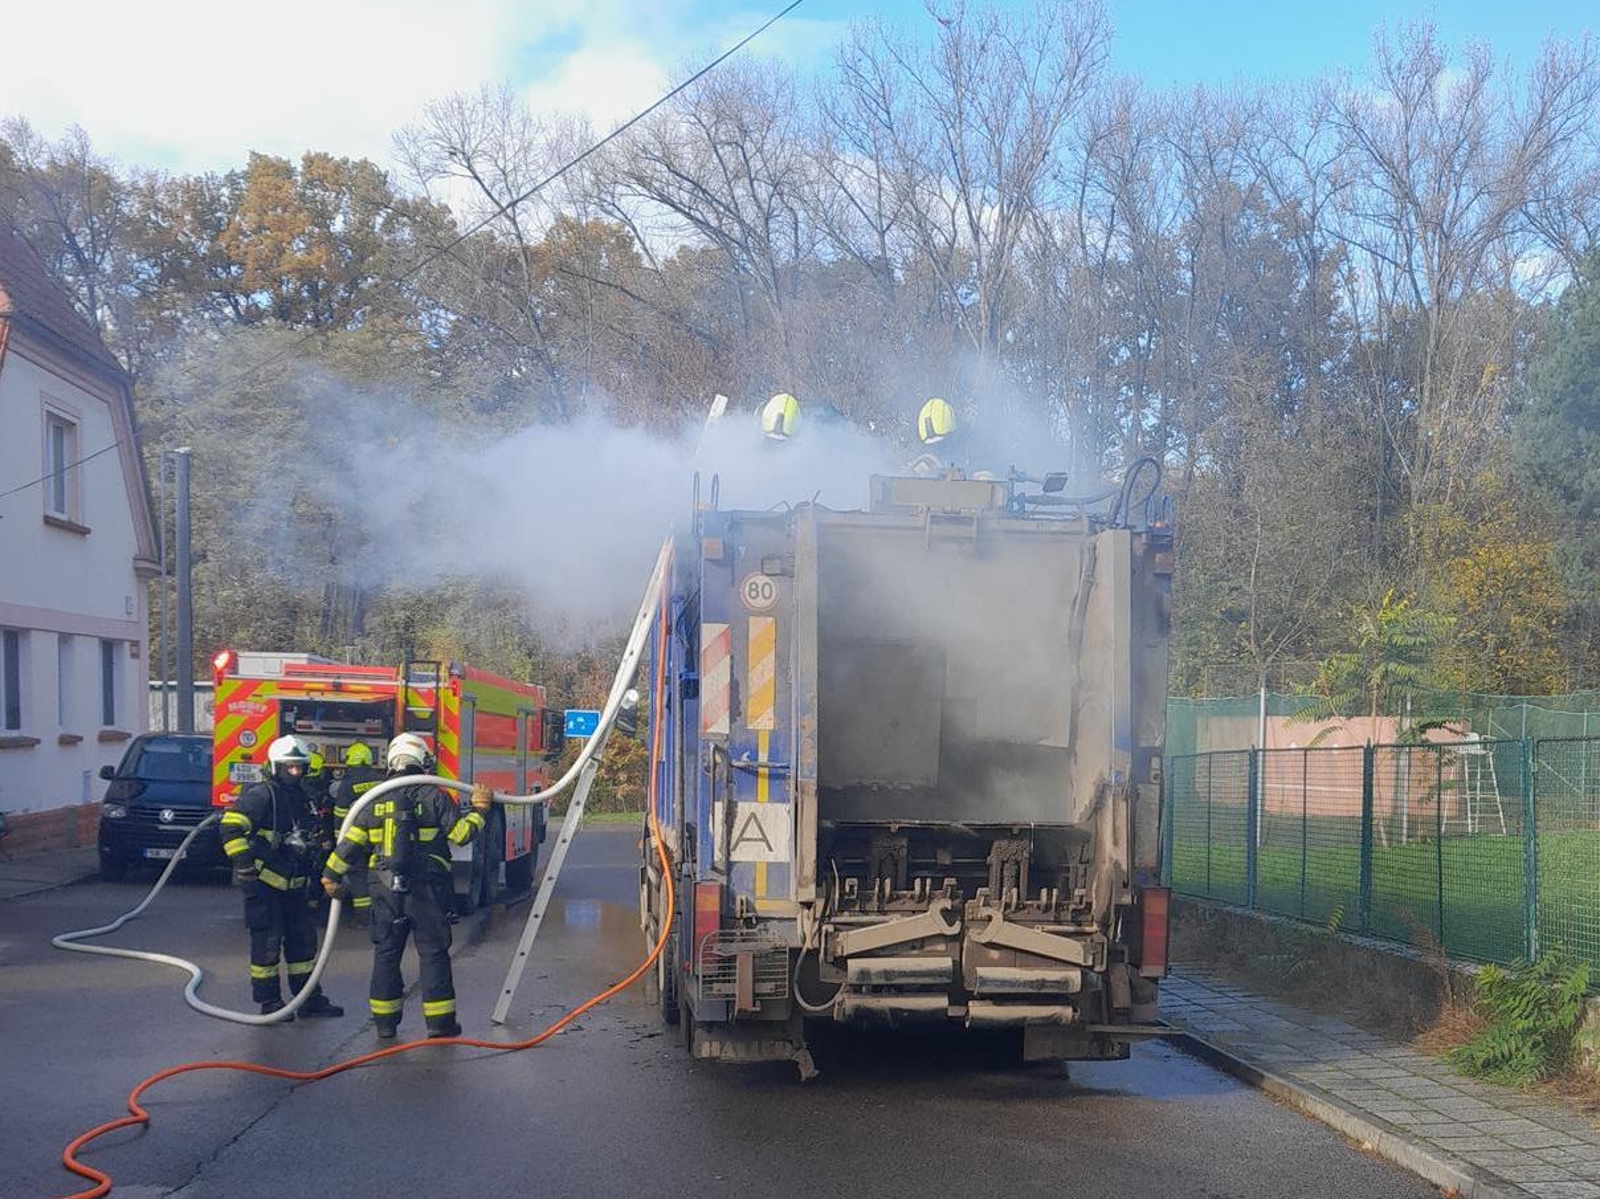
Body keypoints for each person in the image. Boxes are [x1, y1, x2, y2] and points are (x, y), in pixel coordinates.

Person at [322, 732, 494, 1039]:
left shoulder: (374, 799)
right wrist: (480, 810)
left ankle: (385, 1025)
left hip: (385, 889)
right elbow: (460, 835)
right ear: (422, 761)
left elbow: (351, 843)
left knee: (386, 953)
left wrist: (330, 876)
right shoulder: (434, 795)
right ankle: (440, 1025)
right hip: (427, 890)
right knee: (433, 953)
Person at [219, 734, 345, 1018]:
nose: (295, 772)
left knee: (303, 946)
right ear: (275, 766)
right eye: (289, 767)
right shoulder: (262, 795)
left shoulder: (304, 796)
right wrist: (245, 866)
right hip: (265, 886)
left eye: (299, 767)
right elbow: (230, 827)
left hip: (297, 887)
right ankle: (270, 1003)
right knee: (267, 948)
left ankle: (308, 999)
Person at [327, 741, 384, 925]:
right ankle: (383, 913)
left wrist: (340, 843)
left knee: (357, 875)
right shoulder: (380, 780)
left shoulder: (347, 784)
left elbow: (340, 815)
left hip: (356, 837)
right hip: (380, 836)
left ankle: (362, 918)